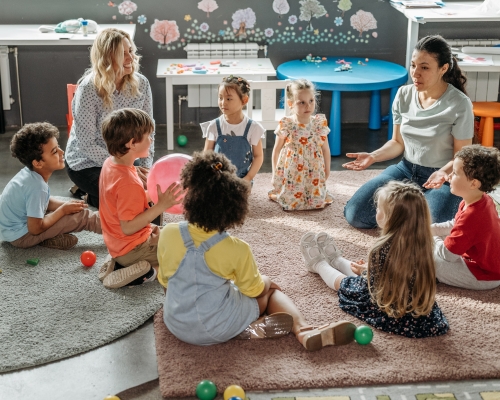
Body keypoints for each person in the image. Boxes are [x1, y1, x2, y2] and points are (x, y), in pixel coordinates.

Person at [158, 151, 356, 351]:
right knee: (269, 293)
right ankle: (304, 330)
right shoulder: (237, 248)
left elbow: (166, 281)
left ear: (189, 195)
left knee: (218, 288)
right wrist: (268, 281)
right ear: (233, 208)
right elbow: (254, 290)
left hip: (176, 324)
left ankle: (242, 328)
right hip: (217, 326)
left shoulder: (168, 233)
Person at [343, 35, 474, 228]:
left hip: (442, 176)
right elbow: (397, 143)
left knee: (432, 227)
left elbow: (461, 156)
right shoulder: (403, 94)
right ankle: (410, 211)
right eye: (413, 65)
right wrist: (373, 156)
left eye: (424, 67)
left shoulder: (459, 103)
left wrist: (443, 173)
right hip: (405, 169)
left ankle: (409, 212)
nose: (415, 73)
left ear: (443, 69)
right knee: (356, 214)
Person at [300, 181, 449, 338]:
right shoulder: (425, 242)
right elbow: (399, 272)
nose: (376, 210)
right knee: (361, 276)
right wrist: (369, 270)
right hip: (418, 309)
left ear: (389, 217)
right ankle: (336, 260)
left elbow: (375, 284)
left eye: (379, 208)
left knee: (346, 284)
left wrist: (368, 271)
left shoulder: (382, 248)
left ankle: (318, 264)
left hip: (392, 307)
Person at [65, 28, 154, 209]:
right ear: (106, 58)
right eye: (123, 54)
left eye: (131, 51)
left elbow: (148, 131)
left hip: (126, 156)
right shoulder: (88, 89)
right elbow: (86, 144)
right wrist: (125, 168)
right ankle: (89, 195)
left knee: (144, 194)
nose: (131, 58)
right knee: (127, 197)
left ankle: (95, 195)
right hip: (87, 163)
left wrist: (146, 169)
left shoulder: (142, 83)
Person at [98, 108, 183, 289]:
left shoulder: (110, 163)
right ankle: (146, 271)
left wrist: (152, 196)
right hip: (132, 247)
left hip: (118, 242)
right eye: (148, 136)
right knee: (183, 257)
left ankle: (118, 262)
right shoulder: (127, 182)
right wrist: (160, 206)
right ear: (132, 144)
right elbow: (128, 227)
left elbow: (123, 203)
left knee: (175, 233)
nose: (151, 140)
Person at [0, 122, 101, 250]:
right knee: (82, 217)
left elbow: (44, 201)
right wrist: (63, 210)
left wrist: (66, 206)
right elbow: (35, 228)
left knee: (68, 207)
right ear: (38, 163)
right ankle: (121, 230)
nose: (61, 151)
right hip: (22, 236)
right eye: (54, 151)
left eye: (58, 147)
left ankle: (49, 237)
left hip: (11, 228)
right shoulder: (37, 187)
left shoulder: (30, 174)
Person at [431, 145, 500, 290]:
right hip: (486, 263)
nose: (449, 176)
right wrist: (430, 229)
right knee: (437, 241)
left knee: (431, 260)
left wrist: (431, 238)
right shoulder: (481, 199)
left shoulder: (473, 216)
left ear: (473, 183)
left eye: (455, 173)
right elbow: (455, 224)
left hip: (484, 275)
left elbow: (447, 255)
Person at [268, 79, 332, 210]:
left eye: (311, 101)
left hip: (313, 170)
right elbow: (277, 149)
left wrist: (327, 170)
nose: (308, 106)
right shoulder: (286, 124)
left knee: (316, 201)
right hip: (292, 171)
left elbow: (325, 149)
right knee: (291, 201)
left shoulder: (319, 124)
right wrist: (275, 173)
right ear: (290, 104)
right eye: (302, 102)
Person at [201, 75, 264, 182]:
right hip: (218, 179)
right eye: (220, 97)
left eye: (229, 98)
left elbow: (258, 156)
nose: (223, 102)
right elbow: (207, 155)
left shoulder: (253, 128)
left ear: (244, 100)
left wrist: (248, 178)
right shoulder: (214, 126)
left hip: (242, 180)